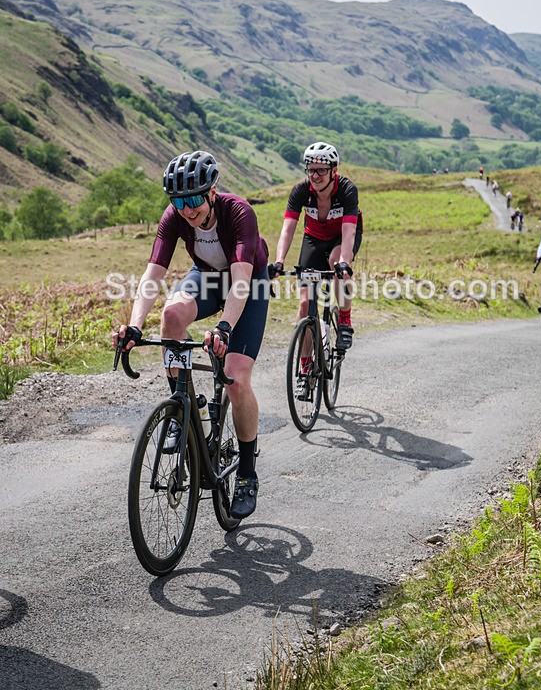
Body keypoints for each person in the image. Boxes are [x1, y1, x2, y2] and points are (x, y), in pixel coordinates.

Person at [113, 150, 269, 520]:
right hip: (208, 278)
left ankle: (246, 473)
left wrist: (224, 327)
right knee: (171, 315)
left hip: (248, 283)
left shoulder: (239, 212)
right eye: (179, 201)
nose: (187, 209)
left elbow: (242, 281)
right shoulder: (175, 218)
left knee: (236, 377)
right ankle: (184, 408)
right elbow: (153, 276)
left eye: (194, 199)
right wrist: (135, 324)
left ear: (212, 192)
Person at [271, 141, 363, 357]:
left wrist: (344, 264)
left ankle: (344, 321)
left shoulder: (347, 190)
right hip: (313, 238)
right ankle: (304, 370)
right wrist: (279, 261)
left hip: (341, 237)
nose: (315, 175)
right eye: (311, 170)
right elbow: (287, 230)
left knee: (335, 262)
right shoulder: (301, 191)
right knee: (304, 306)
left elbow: (349, 231)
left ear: (334, 171)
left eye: (321, 170)